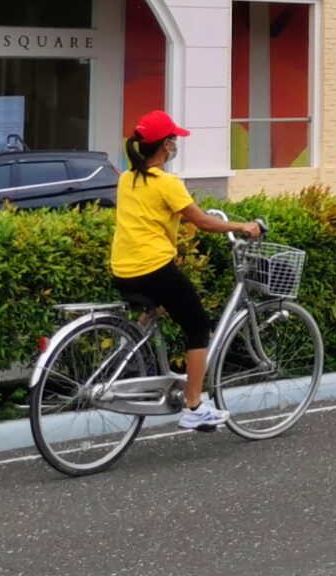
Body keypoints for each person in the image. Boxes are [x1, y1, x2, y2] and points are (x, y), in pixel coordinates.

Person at [110, 110, 264, 431]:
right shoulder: (167, 183)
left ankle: (133, 345)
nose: (177, 144)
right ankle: (194, 405)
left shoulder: (127, 179)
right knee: (197, 325)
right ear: (166, 145)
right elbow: (203, 221)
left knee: (169, 303)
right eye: (174, 140)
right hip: (153, 268)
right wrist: (243, 226)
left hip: (122, 269)